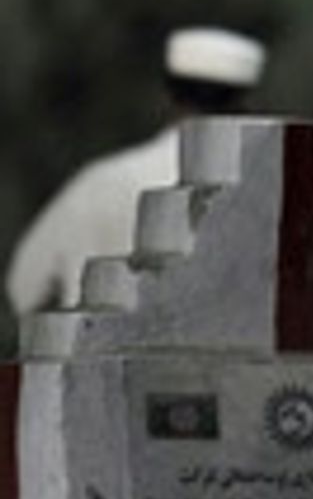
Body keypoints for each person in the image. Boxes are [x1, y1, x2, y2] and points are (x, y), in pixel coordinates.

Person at [5, 27, 267, 318]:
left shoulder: (96, 183)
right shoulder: (257, 191)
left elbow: (24, 288)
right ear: (243, 101)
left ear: (168, 94)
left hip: (88, 346)